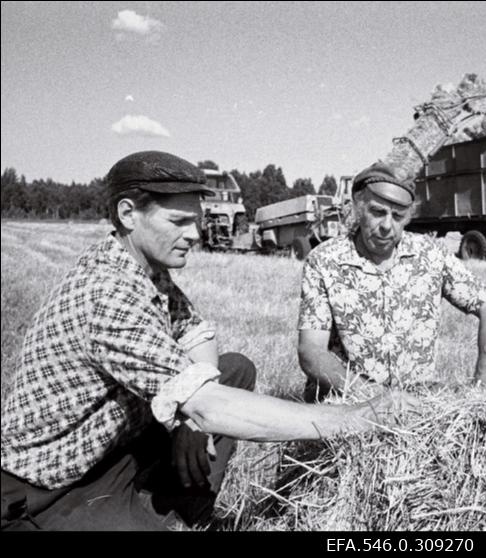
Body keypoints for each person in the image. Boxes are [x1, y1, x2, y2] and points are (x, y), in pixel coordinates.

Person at [0, 151, 415, 531]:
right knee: (209, 400)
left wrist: (188, 418)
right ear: (128, 214)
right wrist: (354, 419)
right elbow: (208, 402)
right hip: (47, 489)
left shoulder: (145, 269)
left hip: (108, 451)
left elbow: (197, 334)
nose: (194, 234)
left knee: (234, 369)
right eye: (178, 222)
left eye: (194, 221)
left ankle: (179, 511)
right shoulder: (106, 292)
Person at [297, 161, 486, 402]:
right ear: (358, 207)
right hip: (345, 406)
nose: (387, 226)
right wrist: (372, 398)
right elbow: (311, 352)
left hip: (416, 409)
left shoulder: (429, 255)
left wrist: (483, 391)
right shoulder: (325, 261)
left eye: (397, 216)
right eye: (377, 212)